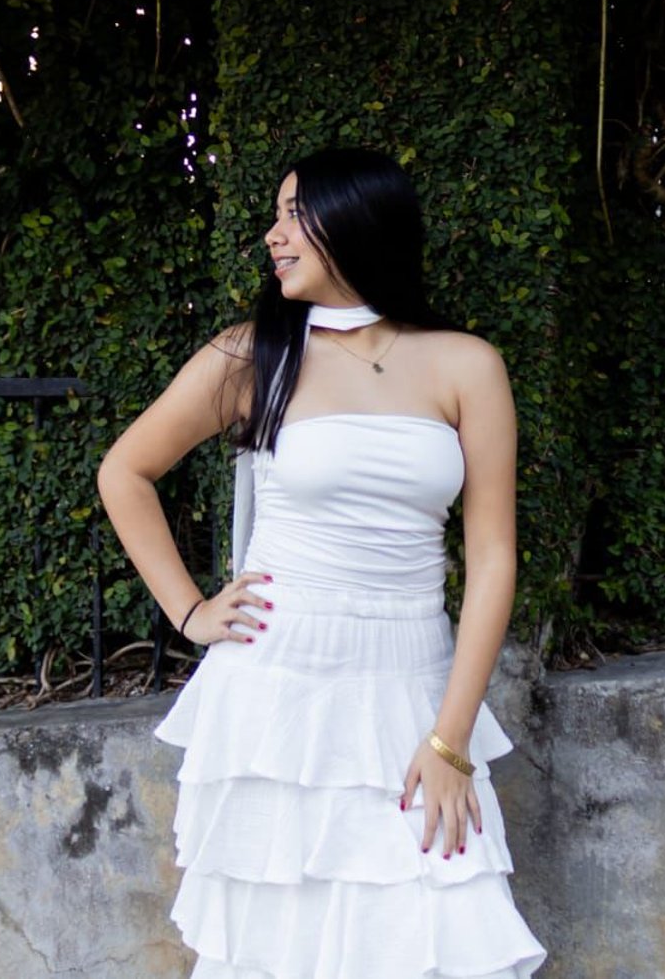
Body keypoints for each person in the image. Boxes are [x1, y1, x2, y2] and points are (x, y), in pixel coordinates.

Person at [96, 146, 547, 978]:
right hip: (278, 695)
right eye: (275, 216)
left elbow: (491, 559)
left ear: (357, 221)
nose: (273, 235)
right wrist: (190, 612)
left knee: (440, 932)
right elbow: (124, 471)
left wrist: (451, 741)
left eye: (294, 214)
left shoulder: (466, 364)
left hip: (414, 685)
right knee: (282, 941)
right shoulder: (252, 355)